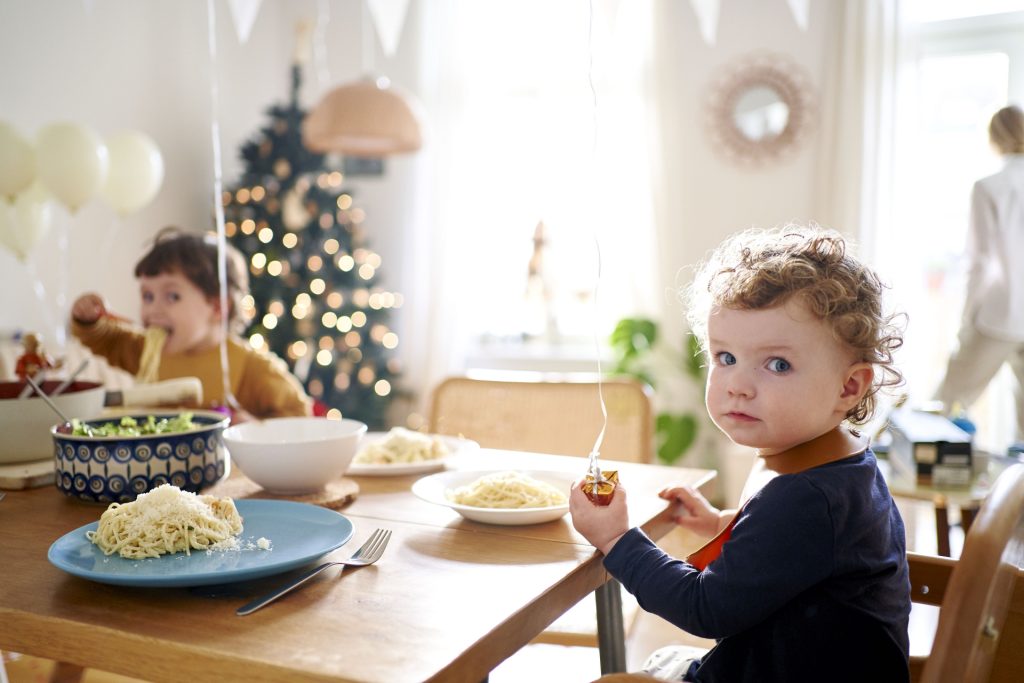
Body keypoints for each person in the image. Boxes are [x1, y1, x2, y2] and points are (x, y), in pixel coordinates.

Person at [570, 225, 911, 682]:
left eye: (778, 365)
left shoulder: (808, 499)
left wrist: (617, 539)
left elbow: (704, 608)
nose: (738, 385)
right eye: (725, 358)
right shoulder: (837, 464)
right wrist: (722, 525)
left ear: (849, 387)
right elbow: (799, 554)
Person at [70, 226, 312, 421]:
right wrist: (87, 319)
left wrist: (253, 427)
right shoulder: (146, 351)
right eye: (147, 296)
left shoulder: (250, 366)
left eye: (172, 296)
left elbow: (299, 414)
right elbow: (107, 340)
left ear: (218, 307)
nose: (152, 310)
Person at [934, 104, 1024, 442]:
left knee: (945, 406)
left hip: (998, 315)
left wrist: (967, 314)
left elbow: (981, 261)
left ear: (995, 137)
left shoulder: (989, 186)